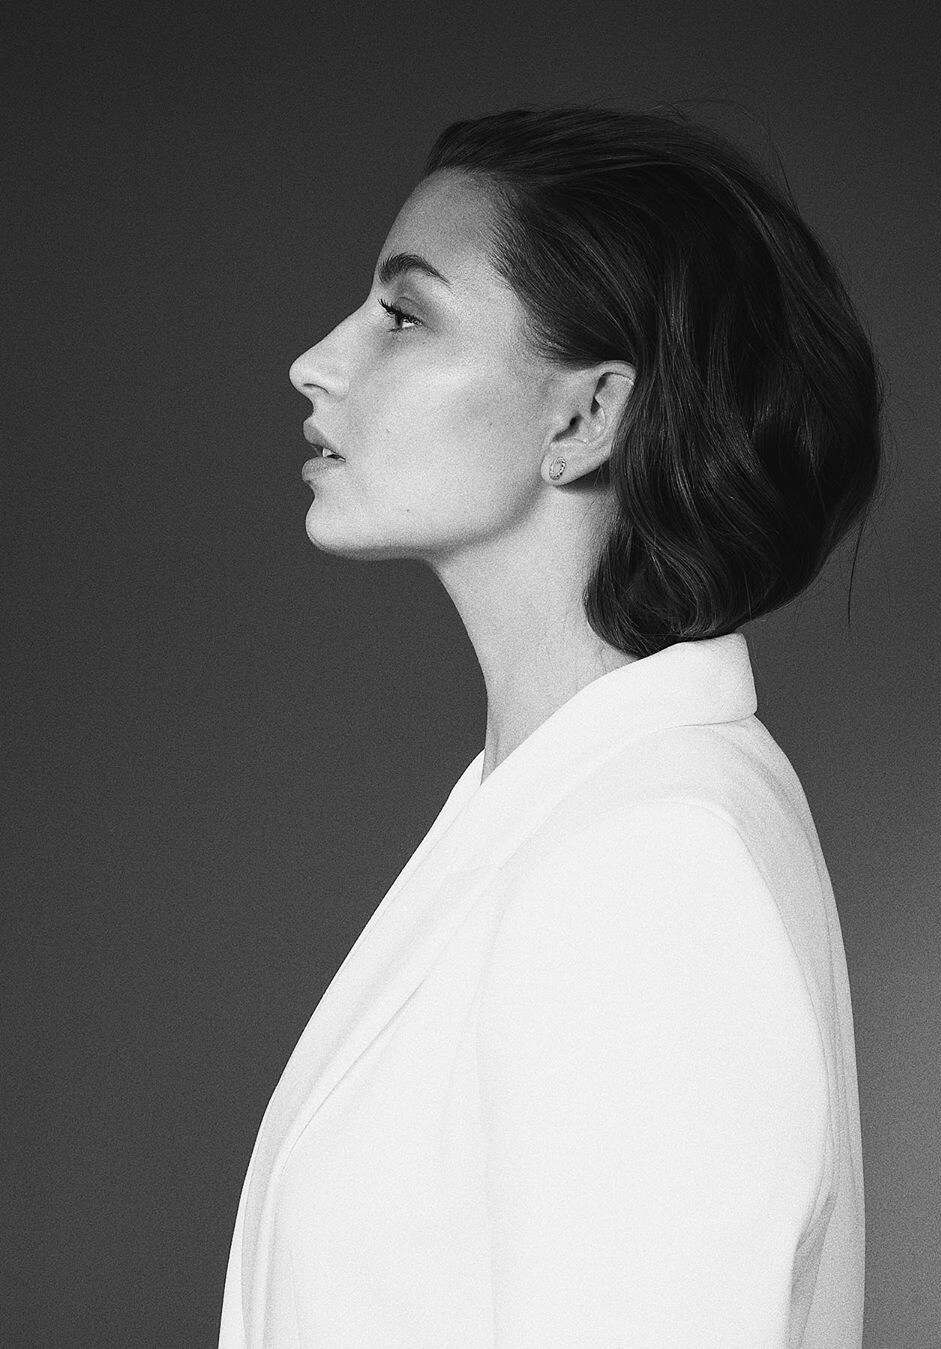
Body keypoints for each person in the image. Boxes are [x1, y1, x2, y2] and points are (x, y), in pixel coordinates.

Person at [218, 102, 883, 1349]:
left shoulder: (648, 861)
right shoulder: (558, 806)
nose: (316, 361)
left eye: (403, 315)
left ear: (585, 418)